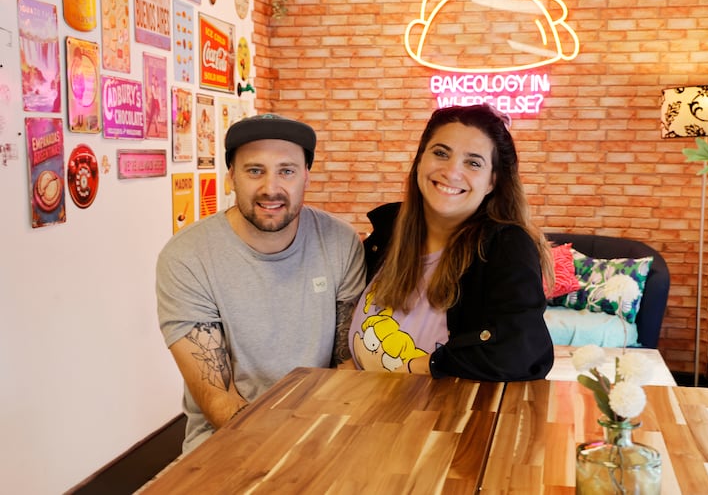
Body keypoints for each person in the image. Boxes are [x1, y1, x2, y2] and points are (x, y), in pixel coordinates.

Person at [157, 113, 366, 453]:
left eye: (287, 171)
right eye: (255, 171)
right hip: (224, 442)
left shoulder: (340, 242)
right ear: (231, 178)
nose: (271, 188)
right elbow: (218, 397)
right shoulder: (187, 257)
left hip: (323, 431)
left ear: (306, 178)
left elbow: (347, 366)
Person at [348, 104, 554, 381]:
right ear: (420, 160)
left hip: (440, 422)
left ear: (492, 181)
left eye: (473, 162)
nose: (452, 171)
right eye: (441, 153)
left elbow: (523, 352)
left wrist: (420, 367)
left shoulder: (504, 247)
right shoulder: (388, 232)